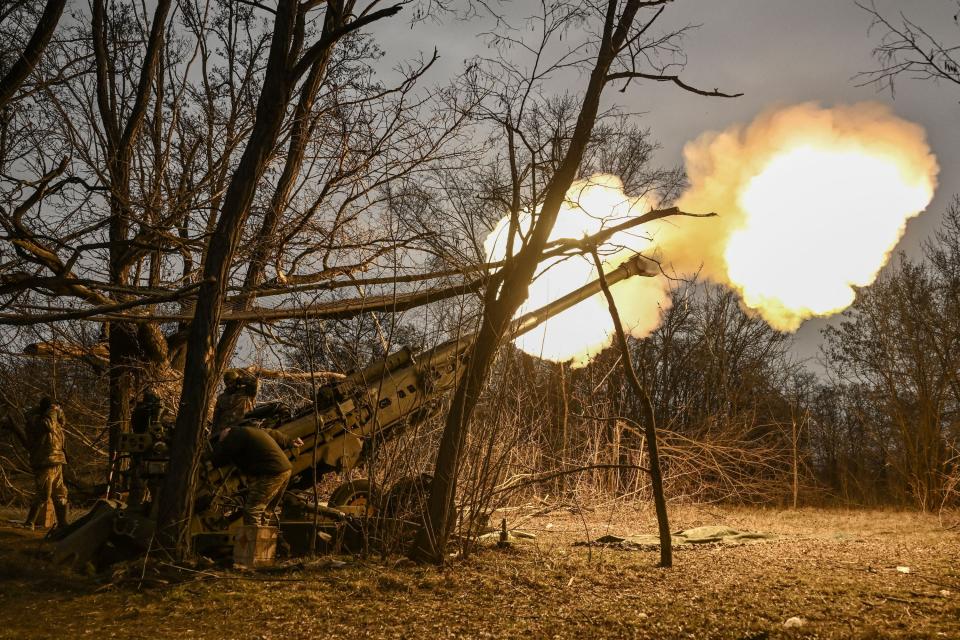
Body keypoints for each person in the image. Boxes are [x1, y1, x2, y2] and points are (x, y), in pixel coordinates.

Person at [210, 426, 301, 526]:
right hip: (285, 470)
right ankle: (264, 539)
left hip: (272, 472)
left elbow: (220, 457)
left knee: (252, 510)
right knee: (266, 512)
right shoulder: (250, 430)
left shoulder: (235, 436)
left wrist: (217, 450)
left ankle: (254, 540)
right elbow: (273, 434)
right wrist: (289, 442)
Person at [23, 396, 69, 529]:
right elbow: (47, 425)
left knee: (61, 492)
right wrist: (53, 411)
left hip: (56, 459)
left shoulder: (53, 420)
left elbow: (62, 422)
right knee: (44, 493)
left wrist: (59, 411)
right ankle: (29, 522)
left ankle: (63, 523)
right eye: (52, 408)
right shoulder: (36, 420)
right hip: (45, 461)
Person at [211, 370, 259, 436]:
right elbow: (216, 418)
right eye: (227, 384)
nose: (229, 385)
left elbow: (254, 381)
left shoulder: (246, 391)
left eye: (232, 382)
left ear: (237, 381)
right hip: (226, 431)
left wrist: (240, 380)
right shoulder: (221, 398)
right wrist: (213, 434)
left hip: (244, 425)